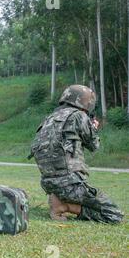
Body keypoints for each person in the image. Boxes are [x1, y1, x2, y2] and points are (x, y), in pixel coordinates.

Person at [30, 85, 124, 224]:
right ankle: (66, 205)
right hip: (71, 184)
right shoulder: (79, 116)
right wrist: (94, 128)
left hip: (48, 183)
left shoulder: (49, 118)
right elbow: (94, 146)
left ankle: (58, 197)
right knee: (114, 214)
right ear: (86, 102)